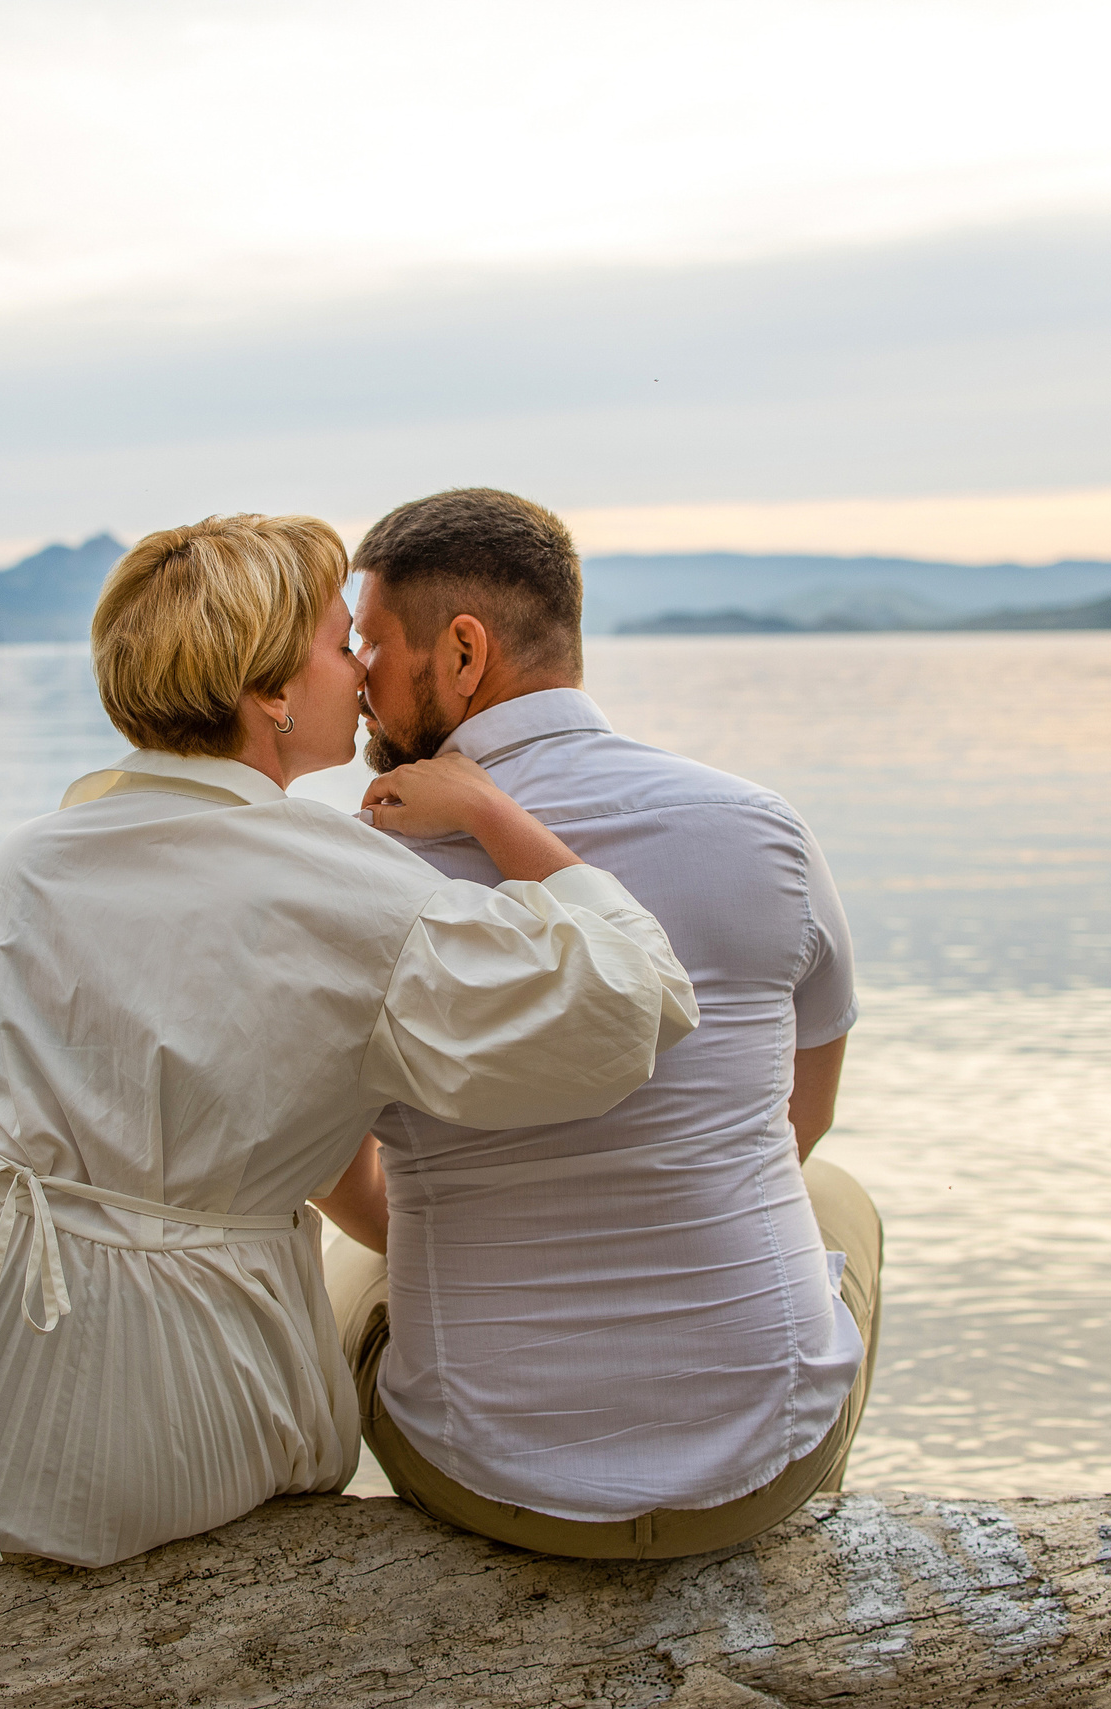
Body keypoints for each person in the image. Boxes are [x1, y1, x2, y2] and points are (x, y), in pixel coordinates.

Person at [0, 513, 696, 1569]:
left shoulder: (33, 856)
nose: (362, 669)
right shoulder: (343, 882)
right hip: (171, 1380)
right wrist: (490, 812)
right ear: (272, 693)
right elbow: (633, 1000)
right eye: (342, 644)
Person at [318, 486, 877, 1560]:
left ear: (464, 651)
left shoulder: (358, 875)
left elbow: (345, 1182)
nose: (361, 686)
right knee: (832, 1199)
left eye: (374, 646)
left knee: (358, 1256)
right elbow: (801, 1115)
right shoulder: (760, 826)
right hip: (762, 1469)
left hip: (481, 1475)